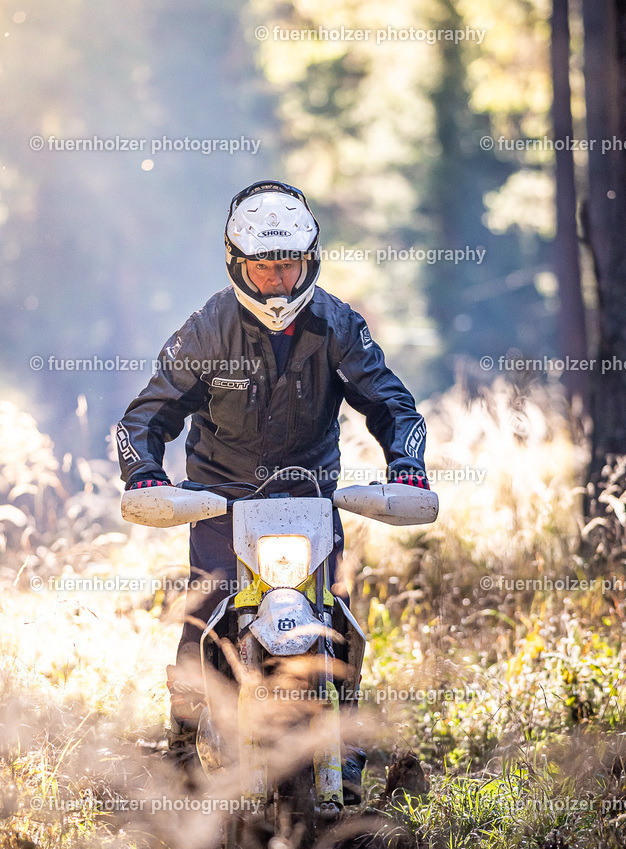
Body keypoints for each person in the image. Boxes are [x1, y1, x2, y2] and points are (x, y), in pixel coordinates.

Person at [117, 179, 429, 803]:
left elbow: (392, 404)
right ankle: (183, 745)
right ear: (237, 264)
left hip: (312, 501)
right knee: (206, 614)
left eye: (289, 265)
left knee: (336, 619)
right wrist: (144, 473)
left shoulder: (337, 324)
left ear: (310, 261)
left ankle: (344, 752)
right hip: (221, 502)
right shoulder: (207, 328)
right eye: (264, 266)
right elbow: (145, 417)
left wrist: (406, 465)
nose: (278, 280)